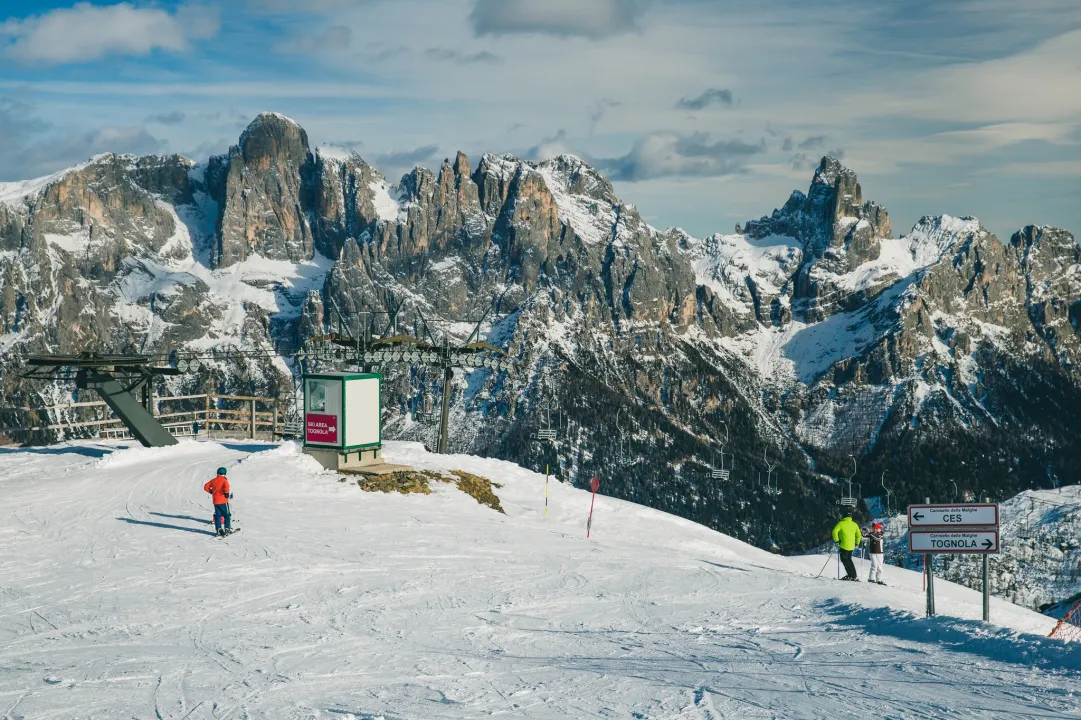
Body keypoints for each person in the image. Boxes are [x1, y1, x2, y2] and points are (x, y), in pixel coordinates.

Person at [832, 511, 863, 581]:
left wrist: (837, 540)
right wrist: (856, 543)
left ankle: (850, 575)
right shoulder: (854, 524)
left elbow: (834, 531)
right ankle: (853, 575)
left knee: (844, 559)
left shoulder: (841, 523)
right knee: (849, 559)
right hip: (852, 545)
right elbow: (858, 535)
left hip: (843, 545)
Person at [204, 466, 233, 537]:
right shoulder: (224, 480)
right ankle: (227, 529)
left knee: (218, 515)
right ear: (225, 473)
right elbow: (226, 487)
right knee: (227, 514)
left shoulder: (213, 480)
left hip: (215, 501)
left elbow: (205, 487)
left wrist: (211, 491)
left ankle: (219, 530)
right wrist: (226, 493)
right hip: (223, 500)